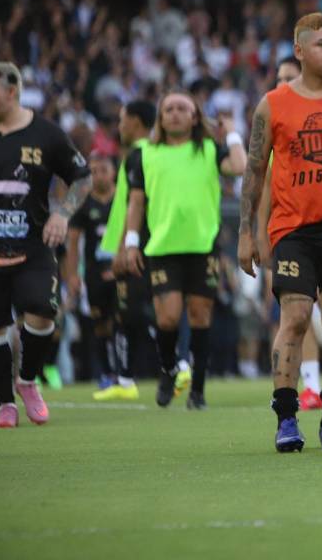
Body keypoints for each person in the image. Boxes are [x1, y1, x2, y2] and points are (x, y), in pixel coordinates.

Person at [239, 14, 322, 453]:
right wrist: (246, 234)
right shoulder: (272, 104)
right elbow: (254, 172)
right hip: (293, 231)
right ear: (299, 50)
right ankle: (287, 417)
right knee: (293, 319)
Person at [122, 90, 246, 409]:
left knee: (200, 315)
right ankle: (168, 369)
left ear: (194, 117)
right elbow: (136, 202)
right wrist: (131, 242)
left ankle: (198, 390)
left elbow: (239, 164)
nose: (175, 113)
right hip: (162, 247)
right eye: (169, 109)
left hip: (203, 246)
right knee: (167, 319)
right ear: (161, 118)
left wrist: (230, 130)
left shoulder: (209, 148)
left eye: (183, 108)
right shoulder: (144, 154)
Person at [0, 63, 93, 428]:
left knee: (42, 309)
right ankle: (5, 404)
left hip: (33, 242)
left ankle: (27, 380)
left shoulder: (46, 134)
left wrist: (62, 214)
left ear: (11, 91)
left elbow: (81, 178)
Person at [99, 100, 157, 402]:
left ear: (136, 121)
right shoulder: (139, 153)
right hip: (139, 242)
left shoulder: (141, 153)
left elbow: (135, 204)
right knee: (130, 314)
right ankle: (124, 377)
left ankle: (178, 364)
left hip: (139, 245)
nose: (119, 126)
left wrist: (124, 246)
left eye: (123, 119)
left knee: (138, 311)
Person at [64, 154, 117, 387]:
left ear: (113, 171)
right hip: (95, 273)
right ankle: (106, 373)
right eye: (93, 171)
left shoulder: (126, 199)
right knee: (100, 324)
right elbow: (73, 242)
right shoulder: (84, 203)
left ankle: (125, 370)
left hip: (123, 271)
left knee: (126, 320)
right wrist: (72, 275)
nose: (98, 176)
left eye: (103, 170)